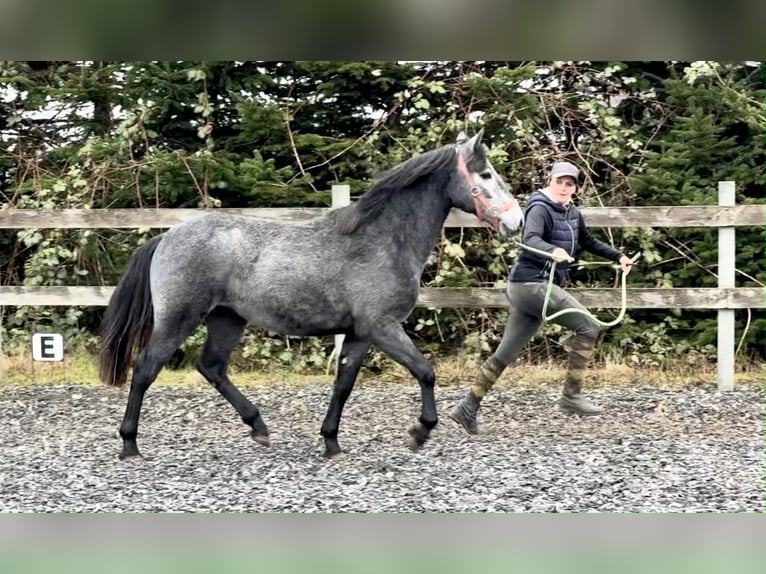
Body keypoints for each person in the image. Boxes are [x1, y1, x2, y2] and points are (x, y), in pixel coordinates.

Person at [449, 161, 634, 434]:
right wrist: (553, 250)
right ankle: (571, 397)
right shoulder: (539, 207)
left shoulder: (572, 212)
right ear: (550, 181)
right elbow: (531, 237)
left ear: (575, 188)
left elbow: (588, 241)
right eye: (559, 182)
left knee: (505, 352)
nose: (564, 187)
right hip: (531, 284)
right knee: (589, 326)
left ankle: (467, 407)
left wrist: (618, 256)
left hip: (534, 289)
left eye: (569, 183)